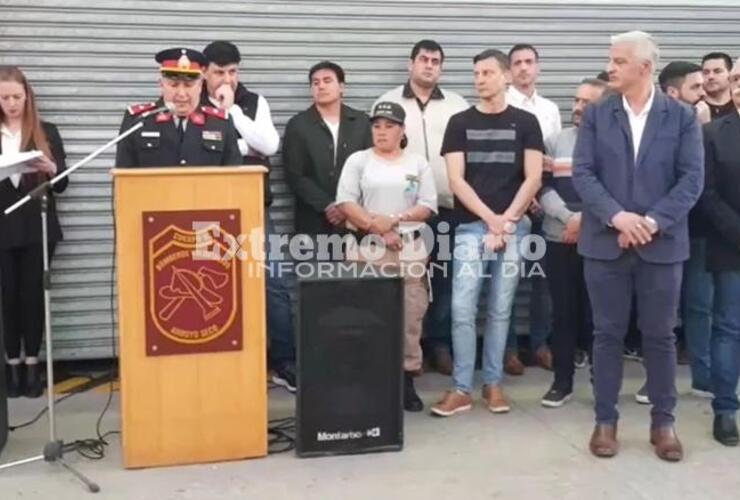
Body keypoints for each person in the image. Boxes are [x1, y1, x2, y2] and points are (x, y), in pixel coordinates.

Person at [573, 31, 704, 462]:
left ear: (644, 68)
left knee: (661, 336)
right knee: (606, 335)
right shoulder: (597, 114)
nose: (610, 67)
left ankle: (663, 423)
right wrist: (618, 216)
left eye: (619, 60)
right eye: (611, 59)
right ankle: (605, 421)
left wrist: (650, 222)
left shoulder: (681, 117)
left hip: (661, 245)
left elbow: (691, 180)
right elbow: (584, 173)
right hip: (605, 243)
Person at [431, 49, 543, 417]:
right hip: (469, 228)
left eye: (487, 72)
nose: (480, 79)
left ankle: (492, 384)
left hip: (514, 227)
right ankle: (462, 388)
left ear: (506, 76)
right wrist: (491, 221)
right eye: (476, 73)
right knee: (463, 307)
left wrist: (507, 221)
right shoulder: (459, 122)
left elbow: (533, 177)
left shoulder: (526, 122)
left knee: (500, 307)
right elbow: (456, 180)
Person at [201, 40, 295, 392]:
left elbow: (269, 146)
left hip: (255, 205)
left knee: (272, 282)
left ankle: (286, 362)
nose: (227, 79)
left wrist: (233, 115)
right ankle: (220, 362)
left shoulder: (253, 102)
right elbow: (199, 151)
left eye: (233, 72)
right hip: (206, 209)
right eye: (219, 73)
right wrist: (242, 145)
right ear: (204, 73)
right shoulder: (192, 101)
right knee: (212, 287)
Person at [373, 39, 468, 375]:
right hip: (399, 214)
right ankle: (398, 349)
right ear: (410, 64)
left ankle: (438, 344)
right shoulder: (388, 102)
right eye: (424, 59)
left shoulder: (457, 105)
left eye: (436, 61)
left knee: (443, 278)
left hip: (447, 207)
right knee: (400, 282)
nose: (429, 65)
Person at [335, 101, 437, 412]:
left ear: (402, 131)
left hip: (408, 247)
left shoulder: (417, 163)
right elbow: (345, 203)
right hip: (368, 246)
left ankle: (405, 378)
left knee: (409, 315)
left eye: (389, 126)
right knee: (366, 315)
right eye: (377, 126)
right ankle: (368, 379)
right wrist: (377, 229)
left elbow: (427, 205)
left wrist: (393, 220)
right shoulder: (359, 160)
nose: (381, 132)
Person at [0, 65, 68, 398]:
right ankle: (11, 366)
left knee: (32, 297)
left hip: (36, 225)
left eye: (16, 97)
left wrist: (51, 169)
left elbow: (63, 183)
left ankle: (32, 366)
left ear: (27, 97)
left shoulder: (47, 131)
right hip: (3, 224)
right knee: (7, 297)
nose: (11, 104)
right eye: (4, 98)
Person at [539, 77, 606, 408]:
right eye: (576, 100)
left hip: (600, 243)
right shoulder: (556, 142)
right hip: (559, 238)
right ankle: (561, 382)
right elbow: (543, 187)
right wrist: (569, 219)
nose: (578, 108)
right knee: (562, 314)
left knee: (599, 316)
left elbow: (615, 192)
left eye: (587, 103)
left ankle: (601, 383)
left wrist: (586, 222)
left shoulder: (614, 144)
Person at [505, 43, 562, 374]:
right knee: (508, 278)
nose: (524, 68)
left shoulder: (550, 109)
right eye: (517, 63)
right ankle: (510, 349)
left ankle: (540, 343)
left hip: (546, 203)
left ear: (538, 67)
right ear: (509, 70)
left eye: (529, 62)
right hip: (512, 204)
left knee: (545, 280)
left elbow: (550, 159)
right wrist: (523, 199)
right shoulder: (502, 105)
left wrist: (543, 193)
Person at [659, 61, 714, 400]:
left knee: (700, 306)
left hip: (701, 230)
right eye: (696, 87)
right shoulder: (656, 132)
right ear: (673, 92)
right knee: (660, 316)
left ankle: (704, 376)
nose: (703, 92)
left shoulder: (706, 125)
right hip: (661, 232)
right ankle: (657, 383)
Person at [284, 61, 372, 238]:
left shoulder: (362, 122)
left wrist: (347, 207)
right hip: (312, 222)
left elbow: (371, 167)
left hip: (356, 221)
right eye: (315, 83)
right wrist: (328, 205)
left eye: (327, 80)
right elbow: (295, 175)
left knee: (355, 266)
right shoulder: (298, 125)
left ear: (341, 87)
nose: (321, 86)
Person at [700, 57, 740, 447]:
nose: (738, 83)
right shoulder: (713, 133)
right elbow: (707, 195)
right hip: (732, 248)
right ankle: (726, 410)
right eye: (737, 77)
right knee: (728, 328)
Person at [115, 48, 242, 168]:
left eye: (188, 85)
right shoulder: (139, 120)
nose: (181, 93)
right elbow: (123, 180)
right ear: (162, 85)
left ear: (200, 86)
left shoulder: (220, 123)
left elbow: (233, 179)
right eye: (174, 85)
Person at [701, 52, 735, 119]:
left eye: (717, 71)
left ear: (730, 74)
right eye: (706, 72)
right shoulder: (694, 107)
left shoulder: (737, 104)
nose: (710, 77)